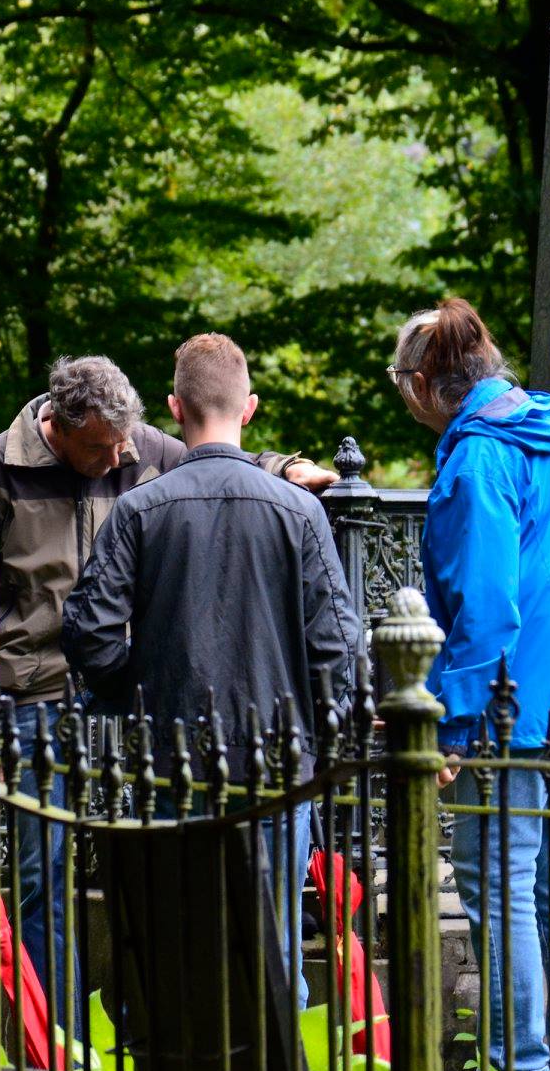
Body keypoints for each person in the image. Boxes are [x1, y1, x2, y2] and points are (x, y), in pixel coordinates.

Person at [0, 354, 339, 1020]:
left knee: (142, 865)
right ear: (63, 428)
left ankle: (145, 1020)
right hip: (36, 695)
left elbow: (218, 454)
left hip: (127, 695)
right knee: (41, 877)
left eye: (127, 442)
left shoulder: (140, 451)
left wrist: (284, 468)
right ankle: (67, 1041)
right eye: (103, 448)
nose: (120, 455)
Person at [61, 333, 362, 1008]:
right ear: (248, 408)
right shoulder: (301, 511)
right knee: (274, 939)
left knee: (180, 941)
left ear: (173, 407)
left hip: (174, 760)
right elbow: (338, 645)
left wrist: (139, 690)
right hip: (278, 766)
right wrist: (316, 729)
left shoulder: (140, 510)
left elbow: (88, 632)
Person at [388, 298, 550, 1071]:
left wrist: (457, 729)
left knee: (500, 880)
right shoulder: (544, 432)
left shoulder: (476, 458)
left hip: (518, 683)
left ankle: (519, 1068)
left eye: (403, 384)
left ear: (427, 381)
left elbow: (485, 602)